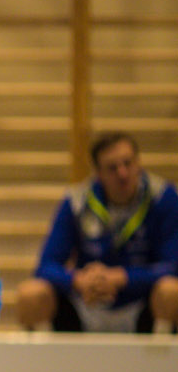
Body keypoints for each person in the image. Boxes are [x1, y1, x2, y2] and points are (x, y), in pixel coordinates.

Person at [17, 132, 178, 334]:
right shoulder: (76, 201)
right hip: (86, 304)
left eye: (128, 163)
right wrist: (79, 280)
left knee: (171, 291)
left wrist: (122, 277)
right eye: (112, 168)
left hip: (141, 304)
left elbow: (173, 266)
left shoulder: (163, 197)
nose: (122, 173)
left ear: (138, 163)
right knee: (30, 294)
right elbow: (45, 266)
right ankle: (45, 355)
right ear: (98, 173)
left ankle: (162, 353)